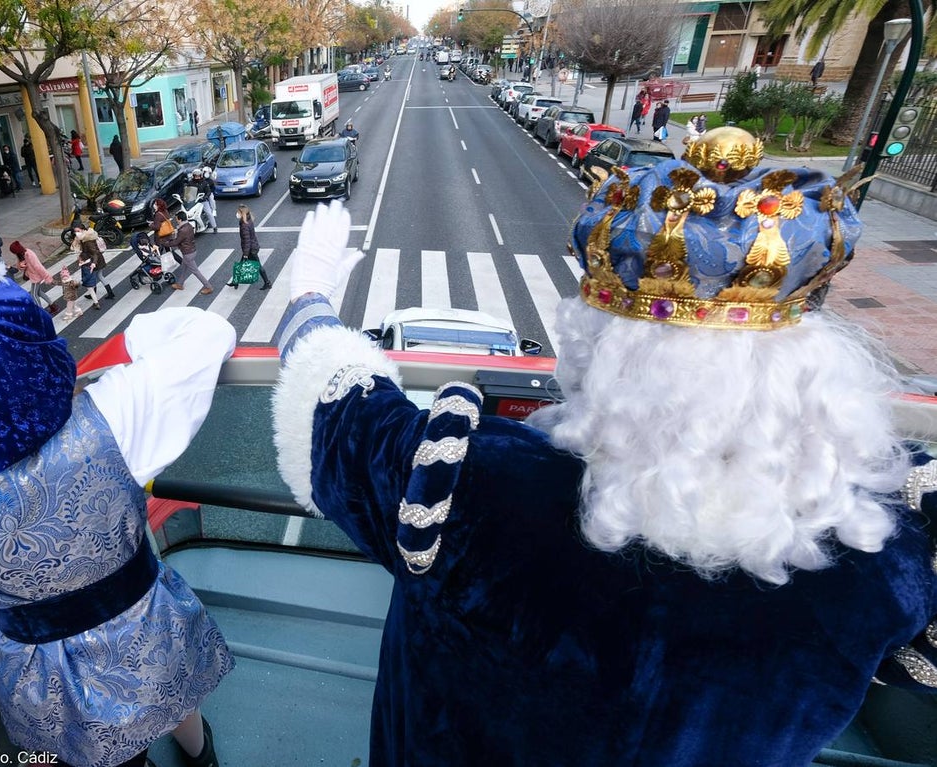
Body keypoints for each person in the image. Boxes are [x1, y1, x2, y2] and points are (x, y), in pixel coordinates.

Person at [269, 130, 937, 766]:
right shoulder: (887, 550)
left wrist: (310, 291)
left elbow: (332, 411)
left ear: (603, 346)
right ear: (809, 359)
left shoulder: (471, 485)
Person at [0, 189, 233, 767]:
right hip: (142, 629)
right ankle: (202, 758)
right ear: (34, 356)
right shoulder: (111, 418)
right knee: (177, 701)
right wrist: (123, 346)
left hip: (35, 665)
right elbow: (206, 337)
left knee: (90, 750)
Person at [166, 210, 213, 295]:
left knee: (196, 272)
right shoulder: (189, 226)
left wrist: (165, 243)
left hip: (188, 253)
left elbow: (176, 242)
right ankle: (180, 284)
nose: (176, 220)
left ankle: (208, 287)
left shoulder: (182, 230)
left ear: (180, 219)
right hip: (192, 250)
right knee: (184, 268)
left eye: (177, 219)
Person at [226, 204, 271, 291]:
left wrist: (246, 254)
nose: (237, 213)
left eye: (238, 212)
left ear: (242, 213)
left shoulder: (244, 225)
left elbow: (247, 241)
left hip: (250, 250)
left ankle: (267, 282)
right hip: (251, 248)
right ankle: (235, 282)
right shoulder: (248, 220)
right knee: (241, 265)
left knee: (257, 266)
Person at [9, 240, 51, 308]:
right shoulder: (21, 254)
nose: (14, 254)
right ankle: (53, 306)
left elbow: (38, 266)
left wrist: (47, 276)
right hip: (33, 275)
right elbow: (20, 267)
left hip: (36, 276)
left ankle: (40, 311)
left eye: (14, 252)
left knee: (34, 295)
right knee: (38, 292)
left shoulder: (29, 254)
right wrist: (20, 265)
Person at [195, 168, 219, 232]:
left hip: (203, 200)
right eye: (195, 176)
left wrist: (206, 196)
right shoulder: (191, 183)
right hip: (194, 201)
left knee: (209, 213)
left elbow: (209, 191)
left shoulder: (205, 182)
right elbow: (188, 190)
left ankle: (214, 226)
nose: (197, 177)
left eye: (198, 176)